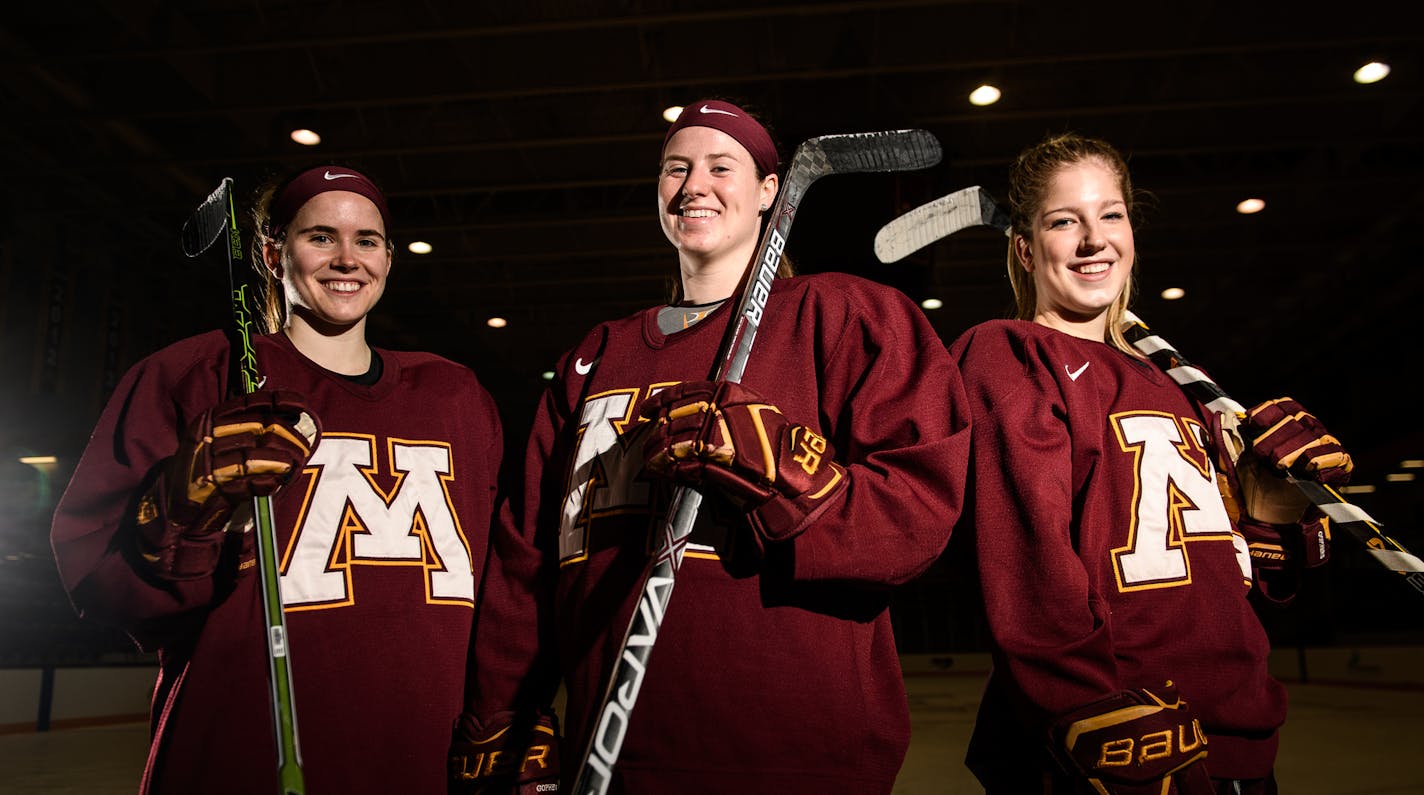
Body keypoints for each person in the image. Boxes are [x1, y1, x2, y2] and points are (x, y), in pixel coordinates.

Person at [448, 98, 972, 794]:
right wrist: (504, 715)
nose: (694, 185)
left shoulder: (842, 316)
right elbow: (527, 560)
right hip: (614, 759)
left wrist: (787, 467)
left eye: (721, 166)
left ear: (768, 193)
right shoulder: (593, 358)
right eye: (676, 168)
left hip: (802, 761)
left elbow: (918, 514)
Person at [50, 164, 505, 794]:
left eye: (366, 241)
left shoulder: (454, 396)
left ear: (389, 259)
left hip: (418, 760)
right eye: (321, 237)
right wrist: (180, 513)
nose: (347, 259)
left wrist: (508, 711)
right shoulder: (194, 375)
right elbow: (101, 582)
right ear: (271, 254)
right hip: (240, 757)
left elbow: (501, 582)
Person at [947, 132, 1353, 794]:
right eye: (1063, 220)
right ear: (1023, 248)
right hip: (1120, 740)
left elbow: (1230, 582)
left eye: (1111, 214)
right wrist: (1085, 710)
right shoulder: (1011, 354)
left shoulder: (1179, 388)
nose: (1093, 239)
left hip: (1240, 740)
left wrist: (1277, 512)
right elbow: (1028, 565)